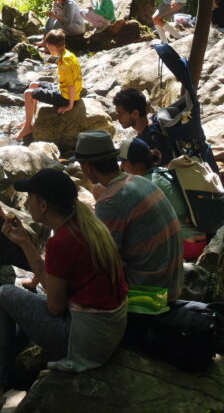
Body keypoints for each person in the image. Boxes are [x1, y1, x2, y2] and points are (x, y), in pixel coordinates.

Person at [0, 168, 126, 409]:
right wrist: (25, 242)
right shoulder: (86, 226)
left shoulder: (62, 242)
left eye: (29, 197)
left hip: (84, 341)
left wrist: (27, 247)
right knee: (24, 307)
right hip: (106, 331)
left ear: (42, 204)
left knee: (4, 295)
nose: (27, 202)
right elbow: (61, 290)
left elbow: (55, 307)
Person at [73, 130, 183, 314]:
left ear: (87, 167)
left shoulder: (111, 200)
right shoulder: (140, 181)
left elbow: (103, 260)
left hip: (151, 296)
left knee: (79, 281)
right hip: (172, 285)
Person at [119, 137, 208, 261]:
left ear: (137, 163)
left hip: (186, 245)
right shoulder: (163, 171)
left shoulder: (145, 185)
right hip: (199, 238)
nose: (121, 166)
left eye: (124, 161)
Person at [16, 29, 81, 141]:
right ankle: (30, 120)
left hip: (65, 97)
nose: (46, 49)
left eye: (47, 46)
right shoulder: (68, 54)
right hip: (63, 89)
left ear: (52, 46)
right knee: (33, 85)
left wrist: (70, 105)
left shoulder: (65, 62)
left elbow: (71, 85)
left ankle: (28, 127)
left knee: (28, 93)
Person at [112, 87, 171, 164]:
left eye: (120, 113)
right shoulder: (149, 126)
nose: (117, 118)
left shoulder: (152, 139)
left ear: (135, 114)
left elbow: (158, 171)